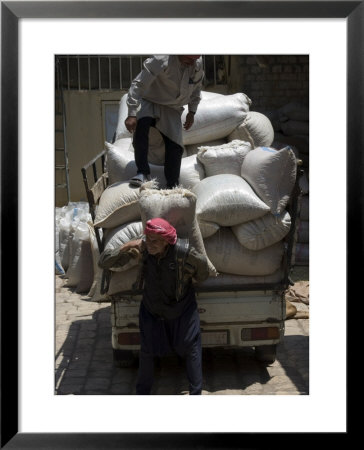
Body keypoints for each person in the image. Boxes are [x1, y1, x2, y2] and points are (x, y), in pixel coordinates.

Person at [98, 217, 209, 395]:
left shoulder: (183, 252)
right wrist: (126, 247)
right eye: (148, 239)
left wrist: (187, 277)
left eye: (155, 240)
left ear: (167, 241)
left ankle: (196, 393)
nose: (150, 244)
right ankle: (143, 393)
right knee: (147, 351)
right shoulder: (143, 250)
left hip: (181, 310)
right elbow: (104, 262)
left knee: (191, 348)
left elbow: (203, 271)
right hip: (152, 309)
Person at [124, 55, 204, 188]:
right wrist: (132, 113)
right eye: (189, 59)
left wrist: (192, 112)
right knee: (141, 127)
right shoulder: (161, 59)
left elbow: (197, 87)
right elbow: (139, 83)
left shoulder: (196, 63)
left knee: (176, 145)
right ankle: (142, 173)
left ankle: (172, 184)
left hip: (172, 107)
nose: (192, 63)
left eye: (195, 59)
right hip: (149, 100)